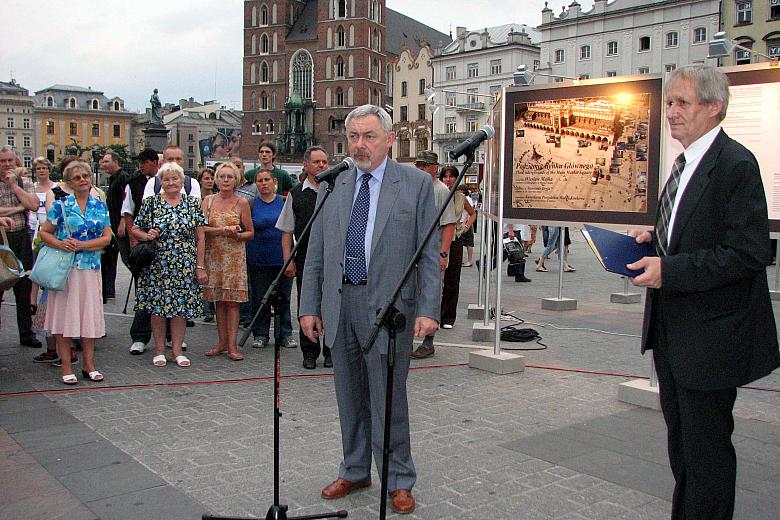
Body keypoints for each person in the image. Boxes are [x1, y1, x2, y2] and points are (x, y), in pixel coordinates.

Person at [627, 65, 780, 520]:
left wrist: (669, 270)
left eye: (682, 103)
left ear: (714, 108)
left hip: (711, 338)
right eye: (668, 102)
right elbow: (695, 235)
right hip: (673, 334)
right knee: (684, 449)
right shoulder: (683, 163)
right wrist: (653, 241)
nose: (670, 112)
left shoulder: (735, 164)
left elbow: (749, 253)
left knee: (707, 453)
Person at [299, 105, 440, 515]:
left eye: (369, 136)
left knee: (389, 397)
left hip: (390, 311)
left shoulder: (415, 184)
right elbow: (317, 253)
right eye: (354, 136)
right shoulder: (334, 183)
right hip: (341, 304)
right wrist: (309, 306)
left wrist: (428, 310)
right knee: (350, 394)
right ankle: (356, 468)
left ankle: (398, 477)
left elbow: (429, 255)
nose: (359, 145)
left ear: (390, 139)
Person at [38, 161, 111, 385]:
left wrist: (83, 245)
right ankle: (67, 366)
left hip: (90, 268)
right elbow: (44, 233)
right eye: (77, 177)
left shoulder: (100, 206)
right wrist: (61, 244)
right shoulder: (61, 205)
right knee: (64, 318)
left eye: (86, 176)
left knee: (88, 316)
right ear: (69, 182)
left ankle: (89, 364)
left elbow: (107, 237)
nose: (82, 180)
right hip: (66, 269)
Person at [131, 163, 207, 368]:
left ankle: (176, 350)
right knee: (158, 309)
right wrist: (147, 235)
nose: (171, 183)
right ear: (160, 182)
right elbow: (135, 228)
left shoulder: (192, 204)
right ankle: (158, 350)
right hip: (158, 263)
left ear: (182, 181)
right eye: (166, 179)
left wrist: (200, 266)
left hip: (184, 263)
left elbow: (200, 238)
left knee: (180, 309)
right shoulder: (152, 203)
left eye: (175, 179)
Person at [275, 145, 331, 368]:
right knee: (307, 304)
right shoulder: (296, 194)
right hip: (306, 257)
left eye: (324, 162)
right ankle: (309, 352)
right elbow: (287, 231)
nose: (321, 166)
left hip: (332, 259)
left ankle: (330, 351)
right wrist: (288, 260)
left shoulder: (333, 191)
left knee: (330, 304)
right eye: (317, 162)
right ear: (306, 165)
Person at [202, 163, 253, 360]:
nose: (225, 180)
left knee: (232, 302)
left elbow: (250, 232)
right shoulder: (207, 201)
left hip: (234, 257)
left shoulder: (242, 202)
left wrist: (238, 235)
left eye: (229, 177)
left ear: (236, 180)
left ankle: (232, 345)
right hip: (213, 255)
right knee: (218, 301)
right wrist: (222, 231)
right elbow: (200, 229)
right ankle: (221, 342)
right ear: (216, 179)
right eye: (222, 176)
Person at [410, 150, 456, 360]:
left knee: (431, 294)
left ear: (434, 168)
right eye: (418, 165)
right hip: (412, 253)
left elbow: (448, 225)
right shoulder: (415, 189)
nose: (420, 169)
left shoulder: (440, 191)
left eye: (424, 165)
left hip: (432, 253)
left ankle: (429, 342)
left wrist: (443, 253)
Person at [245, 169, 293, 349]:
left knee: (284, 298)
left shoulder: (284, 202)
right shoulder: (250, 204)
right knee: (259, 298)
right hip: (258, 258)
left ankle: (285, 333)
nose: (264, 183)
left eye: (267, 180)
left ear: (274, 182)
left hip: (282, 258)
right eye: (260, 180)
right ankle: (261, 333)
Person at [0, 146, 42, 348]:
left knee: (24, 289)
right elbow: (24, 205)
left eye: (10, 160)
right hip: (1, 240)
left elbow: (34, 204)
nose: (7, 165)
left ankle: (27, 334)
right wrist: (17, 207)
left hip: (21, 237)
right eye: (2, 161)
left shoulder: (24, 182)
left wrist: (15, 187)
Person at [122, 148, 161, 354]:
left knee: (165, 292)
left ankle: (169, 336)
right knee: (143, 291)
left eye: (145, 162)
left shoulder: (169, 181)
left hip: (164, 245)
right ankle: (140, 336)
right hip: (143, 241)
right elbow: (128, 213)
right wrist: (133, 241)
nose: (141, 165)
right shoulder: (133, 183)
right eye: (140, 162)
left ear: (155, 162)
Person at [439, 168, 476, 329]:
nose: (448, 179)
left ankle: (447, 317)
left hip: (455, 240)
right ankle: (431, 314)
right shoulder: (437, 193)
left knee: (452, 280)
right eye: (445, 176)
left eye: (452, 176)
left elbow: (473, 213)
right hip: (438, 240)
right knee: (433, 280)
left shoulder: (461, 197)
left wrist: (466, 226)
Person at [98, 150, 131, 302]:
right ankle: (109, 290)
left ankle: (109, 290)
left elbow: (126, 203)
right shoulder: (114, 179)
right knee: (111, 258)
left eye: (106, 161)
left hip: (120, 225)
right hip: (113, 224)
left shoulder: (123, 178)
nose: (103, 164)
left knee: (126, 257)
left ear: (115, 162)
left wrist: (122, 221)